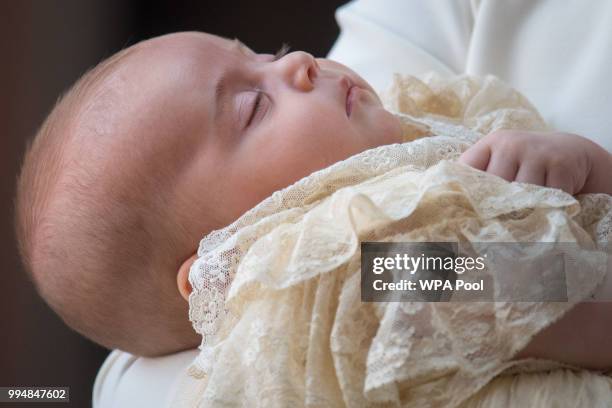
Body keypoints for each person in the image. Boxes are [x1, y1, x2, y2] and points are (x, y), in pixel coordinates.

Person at [12, 30, 611, 405]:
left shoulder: (420, 122)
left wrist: (582, 164)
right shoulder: (346, 280)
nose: (298, 61)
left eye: (265, 55)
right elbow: (554, 298)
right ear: (225, 260)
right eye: (254, 106)